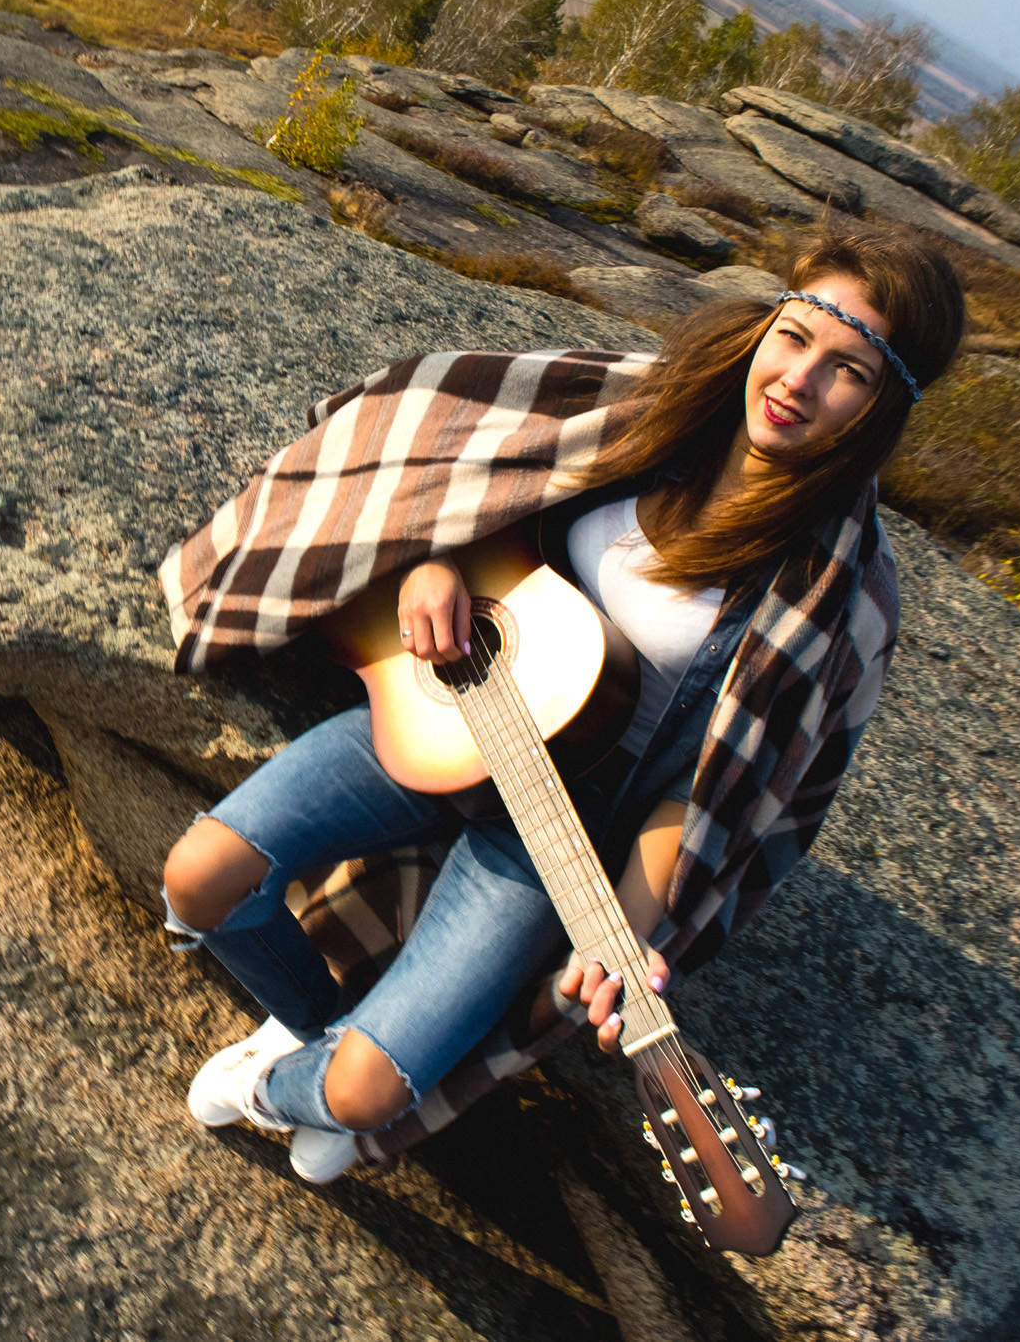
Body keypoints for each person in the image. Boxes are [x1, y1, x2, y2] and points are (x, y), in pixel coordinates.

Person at [157, 224, 966, 1185]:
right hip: (450, 717)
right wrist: (434, 567)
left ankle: (281, 1084)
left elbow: (713, 801)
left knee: (368, 1094)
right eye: (795, 338)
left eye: (850, 373)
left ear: (880, 411)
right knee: (200, 878)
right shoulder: (647, 412)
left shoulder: (839, 602)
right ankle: (310, 1026)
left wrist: (618, 935)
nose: (797, 379)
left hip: (557, 830)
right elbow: (466, 481)